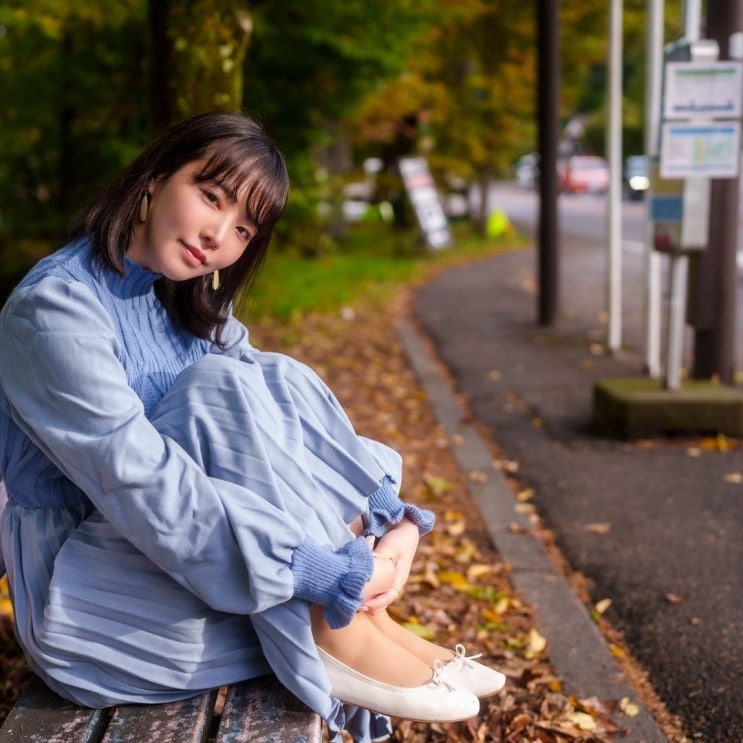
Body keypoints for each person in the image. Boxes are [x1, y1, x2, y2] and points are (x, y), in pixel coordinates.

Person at [0, 111, 505, 742]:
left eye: (242, 227)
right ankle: (331, 624)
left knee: (269, 377)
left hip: (181, 566)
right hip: (89, 611)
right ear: (155, 178)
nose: (217, 235)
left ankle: (355, 623)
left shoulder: (182, 303)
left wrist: (388, 514)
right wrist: (318, 572)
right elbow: (144, 486)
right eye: (210, 197)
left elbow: (289, 428)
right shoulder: (55, 311)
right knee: (220, 388)